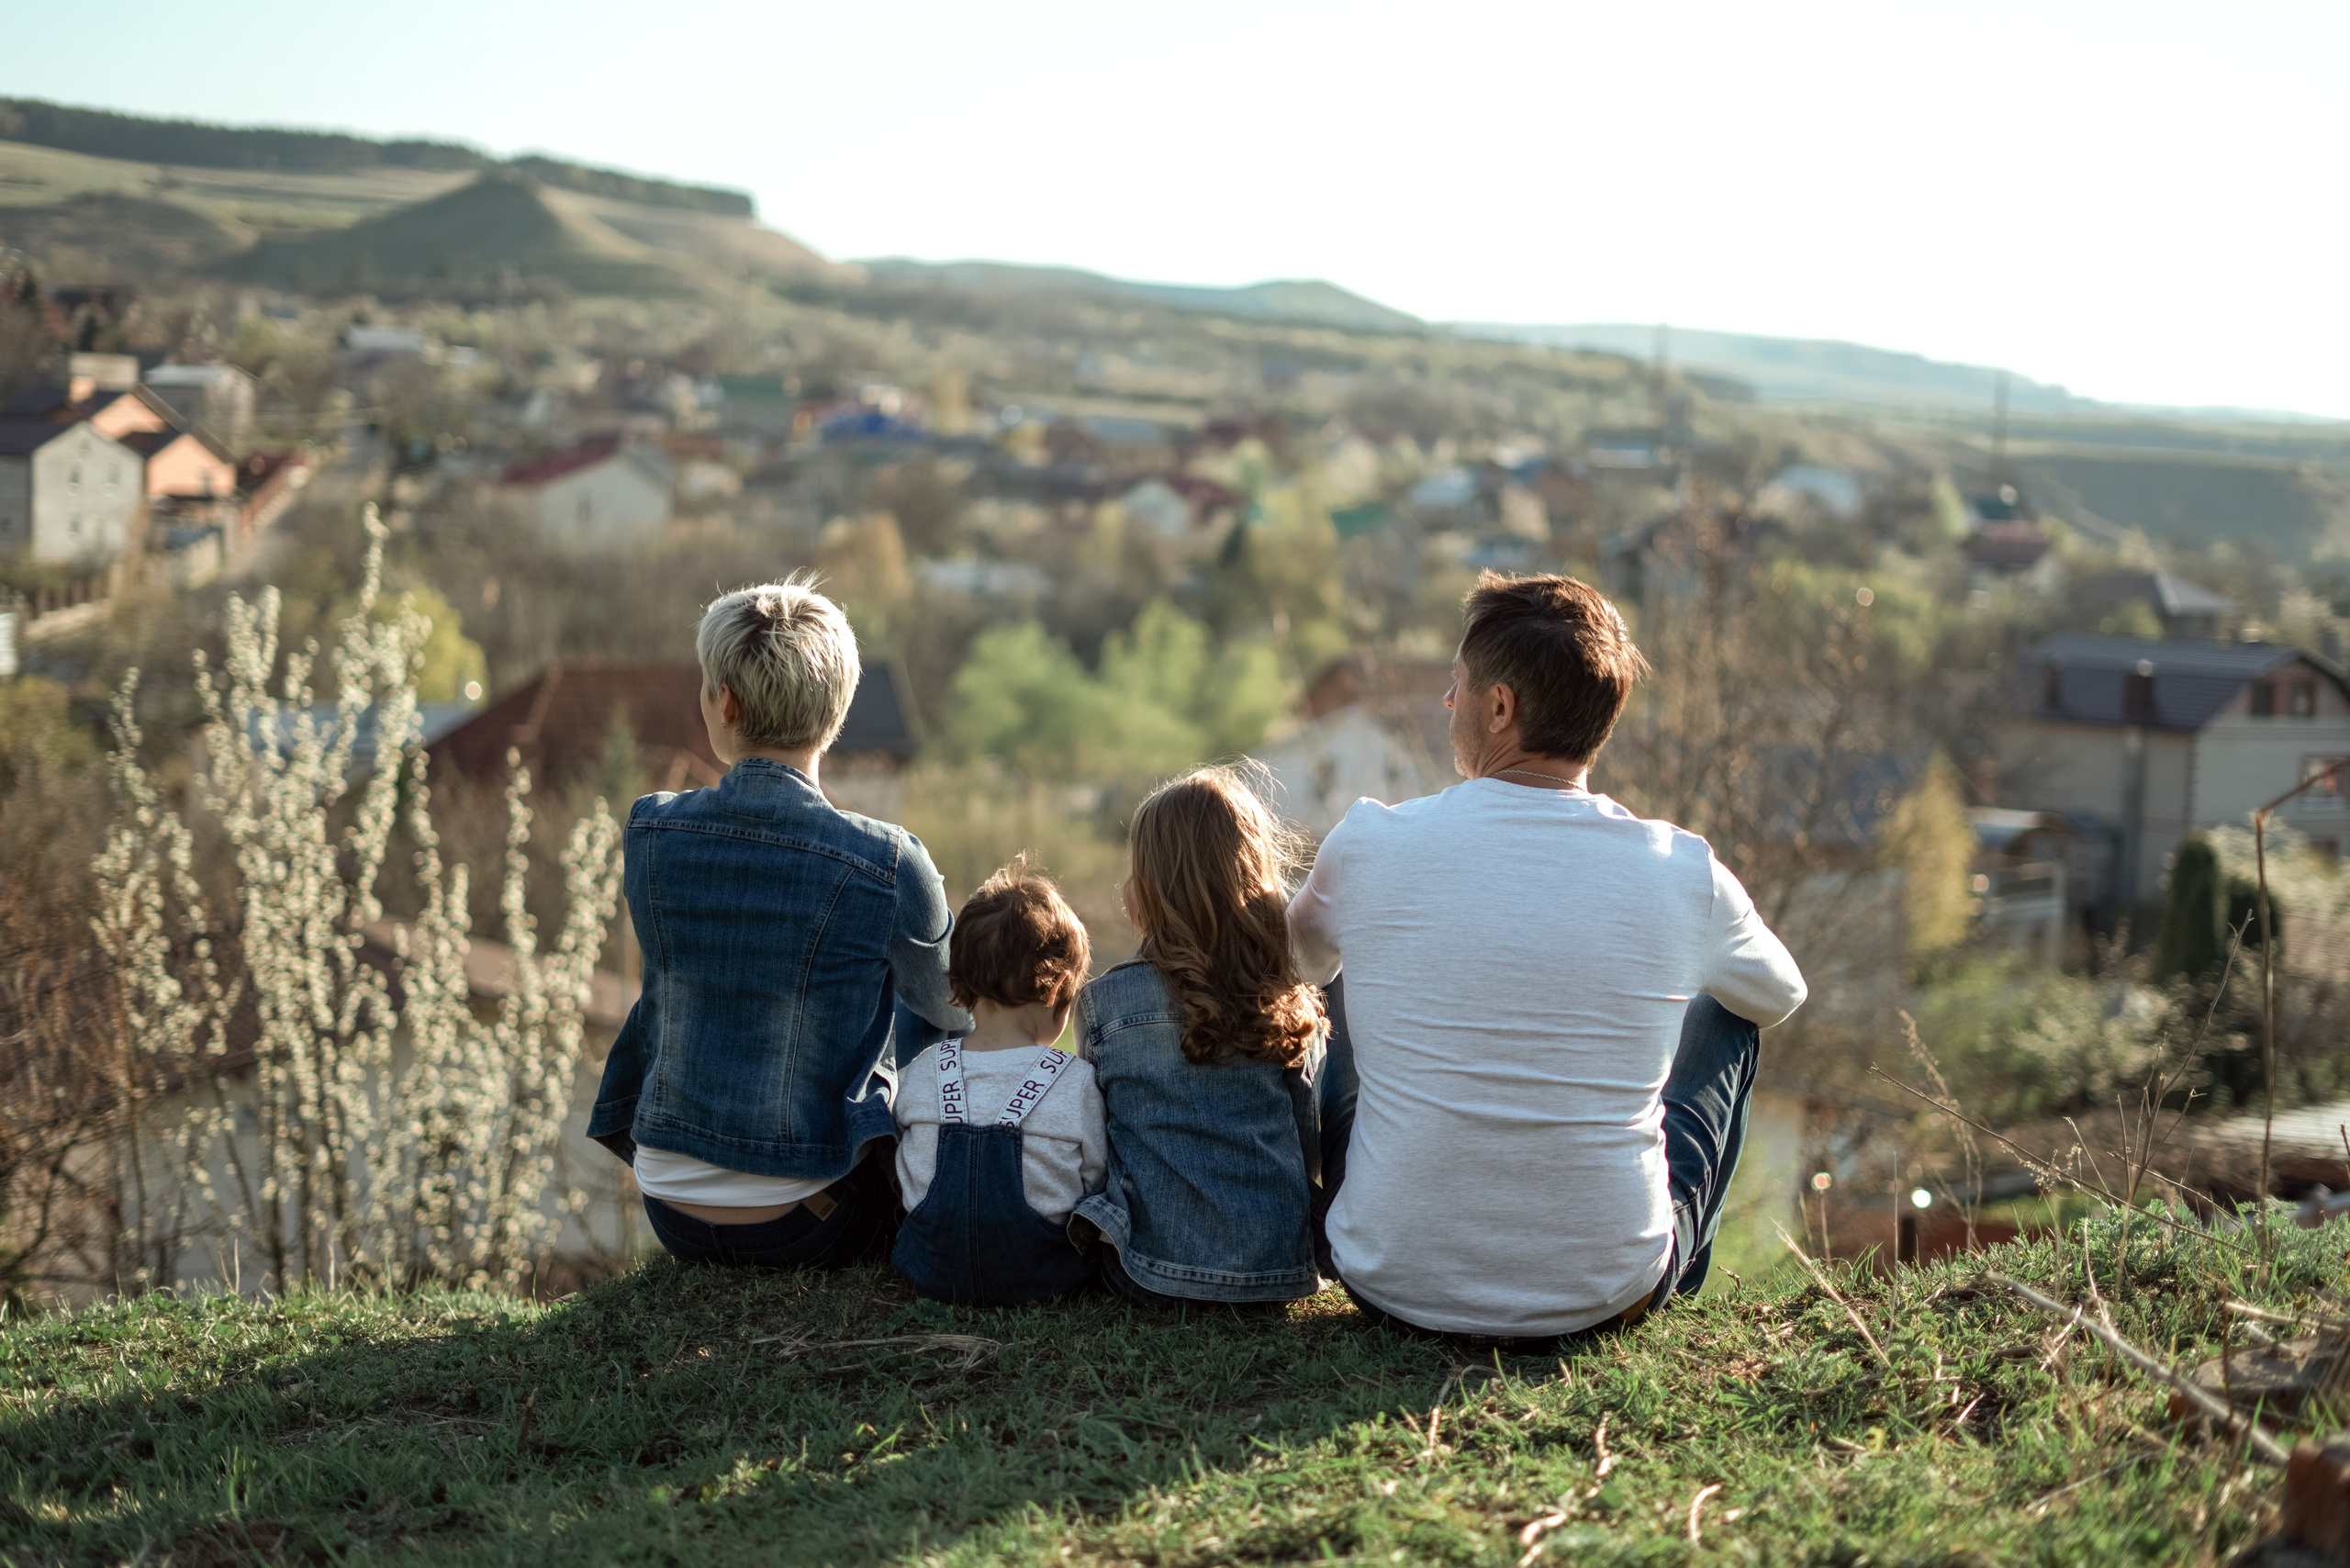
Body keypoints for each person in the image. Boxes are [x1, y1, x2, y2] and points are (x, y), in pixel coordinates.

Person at [1290, 571, 1807, 1343]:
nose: (1446, 703)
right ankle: (1672, 1271)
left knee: (1331, 988)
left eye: (1457, 686)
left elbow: (1295, 967)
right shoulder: (1682, 870)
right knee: (1727, 1015)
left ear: (1499, 707)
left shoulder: (1369, 842)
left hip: (1385, 1277)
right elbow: (1779, 995)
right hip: (1606, 1293)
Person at [587, 578, 969, 1270]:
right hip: (812, 1222)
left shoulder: (651, 833)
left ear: (724, 702)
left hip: (669, 1207)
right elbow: (955, 1009)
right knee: (922, 1004)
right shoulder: (886, 861)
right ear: (838, 709)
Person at [1074, 767, 1327, 1307]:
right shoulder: (1286, 999)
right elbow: (1306, 1138)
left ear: (1145, 889)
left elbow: (1096, 1142)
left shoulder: (1107, 1001)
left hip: (1147, 1272)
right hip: (1275, 1273)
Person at [892, 859, 1106, 1305]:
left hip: (932, 1270)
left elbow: (905, 1163)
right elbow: (1094, 1178)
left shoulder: (925, 1069)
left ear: (960, 981)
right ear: (1059, 988)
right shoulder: (1078, 1082)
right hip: (1042, 1275)